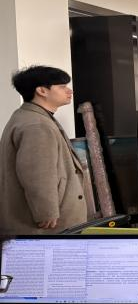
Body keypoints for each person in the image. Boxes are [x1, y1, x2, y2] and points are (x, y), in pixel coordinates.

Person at [0, 66, 87, 234]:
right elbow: (37, 173)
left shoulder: (31, 117)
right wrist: (46, 212)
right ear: (41, 91)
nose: (69, 91)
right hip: (48, 226)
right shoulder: (37, 124)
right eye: (62, 87)